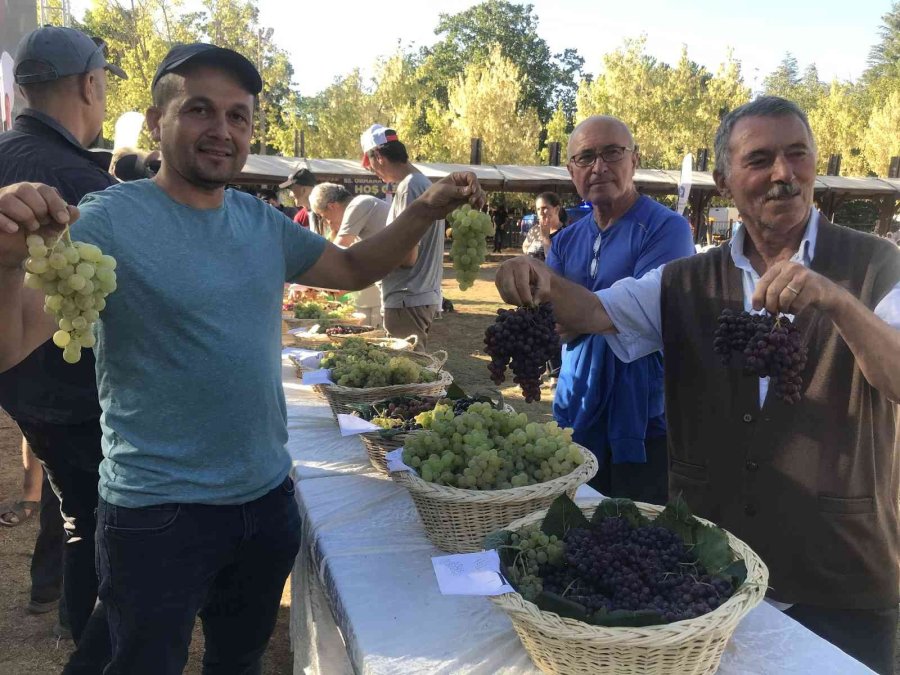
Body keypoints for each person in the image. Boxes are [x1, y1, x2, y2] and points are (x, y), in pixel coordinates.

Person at [0, 42, 484, 675]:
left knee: (238, 662)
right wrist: (10, 260)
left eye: (238, 116)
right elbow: (12, 342)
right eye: (199, 109)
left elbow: (356, 265)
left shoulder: (261, 221)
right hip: (156, 514)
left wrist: (424, 208)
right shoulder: (106, 221)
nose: (221, 130)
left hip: (264, 502)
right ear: (156, 122)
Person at [494, 97, 900, 675]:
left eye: (796, 154)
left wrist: (836, 300)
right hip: (709, 575)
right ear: (724, 180)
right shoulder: (683, 282)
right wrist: (540, 279)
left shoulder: (879, 265)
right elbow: (592, 311)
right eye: (760, 160)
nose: (783, 174)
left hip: (839, 577)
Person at [0, 25, 127, 661]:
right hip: (83, 396)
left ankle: (71, 621)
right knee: (114, 533)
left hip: (21, 393)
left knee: (79, 517)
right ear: (89, 85)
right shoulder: (90, 189)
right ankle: (93, 646)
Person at [547, 116, 695, 505]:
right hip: (576, 406)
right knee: (572, 522)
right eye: (585, 157)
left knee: (634, 529)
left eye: (612, 153)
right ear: (571, 171)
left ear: (634, 160)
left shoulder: (668, 229)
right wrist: (587, 314)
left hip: (643, 417)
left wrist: (588, 313)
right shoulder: (564, 240)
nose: (599, 167)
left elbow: (641, 315)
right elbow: (556, 321)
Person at [361, 123, 445, 348]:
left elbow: (408, 256)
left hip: (406, 298)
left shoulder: (410, 187)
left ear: (378, 156)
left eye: (370, 165)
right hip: (414, 297)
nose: (373, 172)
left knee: (407, 374)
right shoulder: (421, 184)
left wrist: (372, 257)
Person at [309, 182, 389, 326]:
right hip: (382, 289)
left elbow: (335, 252)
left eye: (325, 216)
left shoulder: (359, 205)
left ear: (332, 206)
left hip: (391, 291)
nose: (327, 222)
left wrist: (309, 280)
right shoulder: (363, 207)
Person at [522, 192, 565, 260]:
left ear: (556, 209)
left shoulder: (565, 233)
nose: (540, 213)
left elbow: (554, 262)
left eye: (544, 208)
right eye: (538, 209)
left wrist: (545, 238)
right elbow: (525, 247)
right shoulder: (535, 230)